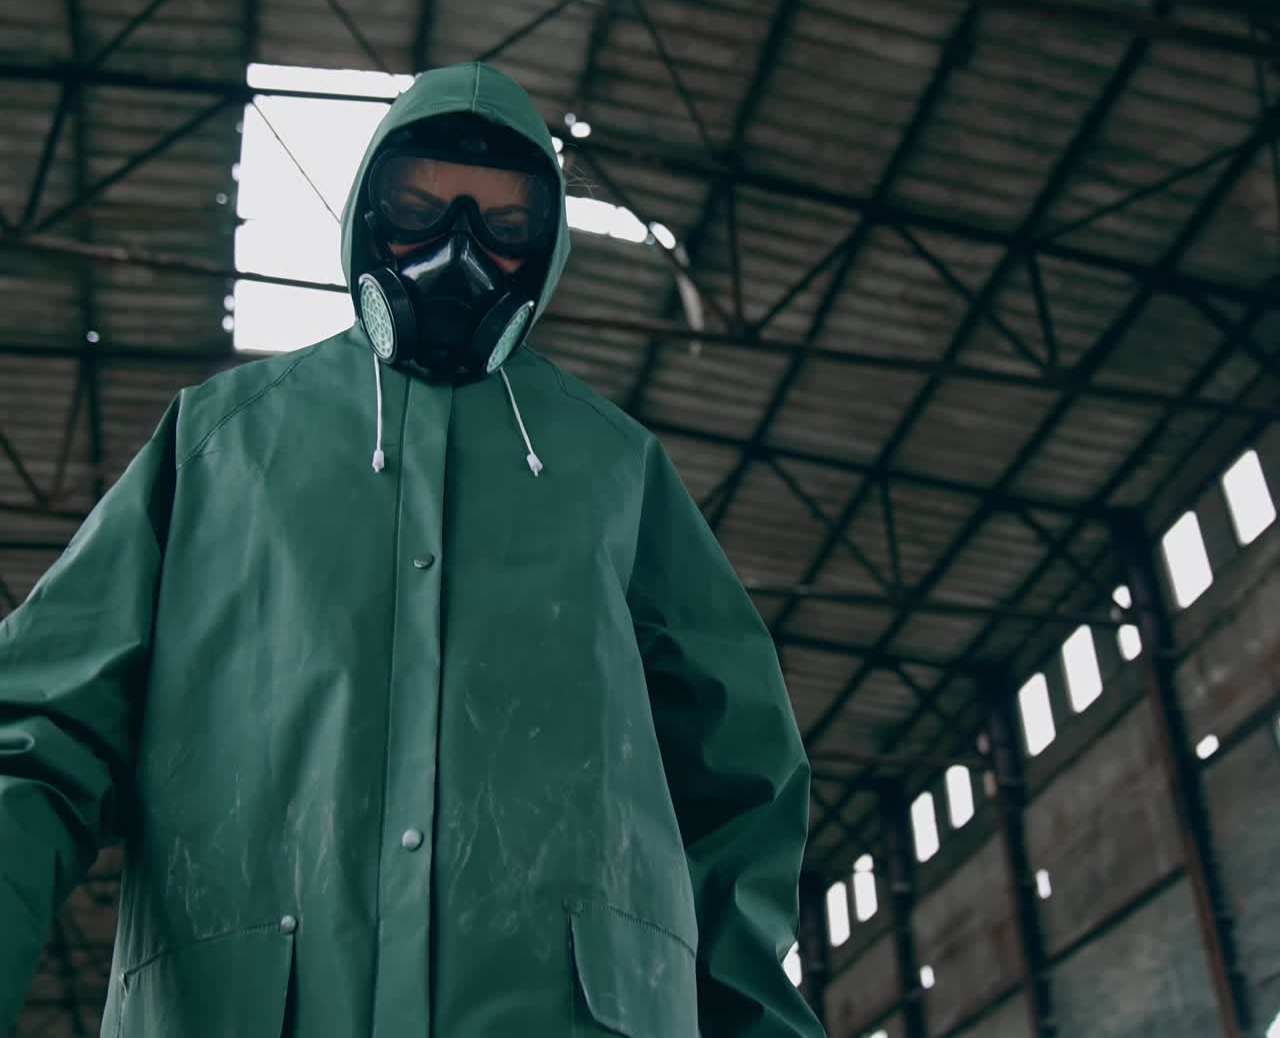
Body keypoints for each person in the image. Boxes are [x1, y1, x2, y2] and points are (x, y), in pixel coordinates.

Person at [0, 61, 826, 1037]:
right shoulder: (218, 445)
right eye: (418, 211)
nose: (457, 250)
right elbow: (38, 732)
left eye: (502, 223)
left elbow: (741, 782)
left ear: (545, 245)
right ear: (365, 214)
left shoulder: (617, 469)